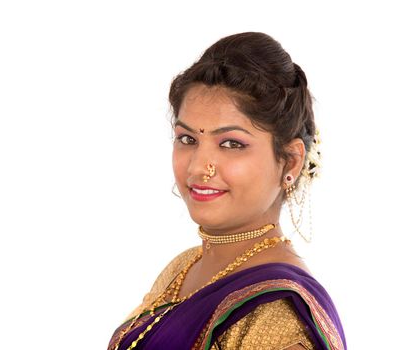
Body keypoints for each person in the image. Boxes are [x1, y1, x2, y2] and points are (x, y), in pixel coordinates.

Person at [108, 32, 347, 350]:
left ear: (290, 162)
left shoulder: (279, 314)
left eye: (231, 144)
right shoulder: (183, 268)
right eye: (187, 139)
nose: (198, 167)